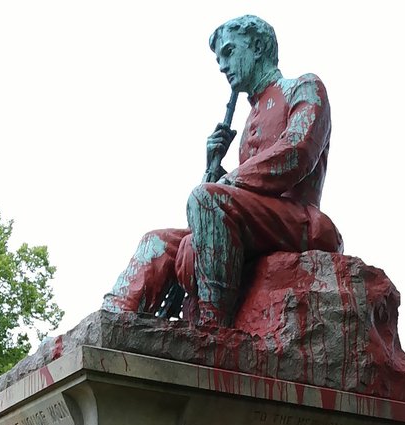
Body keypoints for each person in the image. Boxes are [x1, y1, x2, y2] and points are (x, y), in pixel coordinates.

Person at [102, 14, 342, 328]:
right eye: (218, 58)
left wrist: (224, 183)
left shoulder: (304, 86)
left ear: (256, 47)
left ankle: (213, 329)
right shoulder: (251, 116)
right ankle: (111, 323)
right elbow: (229, 201)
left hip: (300, 224)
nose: (221, 66)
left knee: (208, 199)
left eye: (228, 52)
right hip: (255, 223)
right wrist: (212, 168)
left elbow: (297, 154)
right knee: (155, 243)